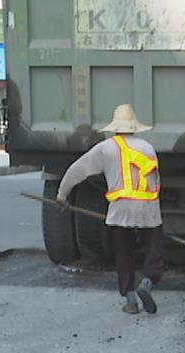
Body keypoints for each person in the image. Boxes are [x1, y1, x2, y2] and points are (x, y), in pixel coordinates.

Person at [57, 104, 164, 315]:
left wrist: (62, 193)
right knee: (154, 249)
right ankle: (148, 282)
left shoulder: (106, 148)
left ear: (115, 127)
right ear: (134, 127)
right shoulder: (148, 148)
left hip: (120, 210)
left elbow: (78, 169)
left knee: (123, 253)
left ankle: (130, 299)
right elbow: (155, 181)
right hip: (148, 208)